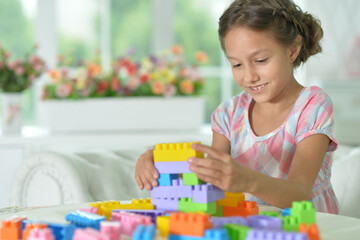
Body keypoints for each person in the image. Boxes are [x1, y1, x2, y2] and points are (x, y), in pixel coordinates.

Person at [135, 0, 339, 214]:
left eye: (261, 60)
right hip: (249, 226)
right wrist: (161, 160)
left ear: (292, 50)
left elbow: (299, 194)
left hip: (311, 227)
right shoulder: (229, 114)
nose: (249, 76)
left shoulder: (312, 105)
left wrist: (249, 181)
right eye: (237, 65)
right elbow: (209, 179)